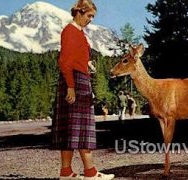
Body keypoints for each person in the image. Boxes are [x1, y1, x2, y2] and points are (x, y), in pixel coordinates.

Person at [51, 0, 114, 179]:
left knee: (70, 130)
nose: (91, 19)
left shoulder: (78, 33)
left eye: (93, 16)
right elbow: (64, 62)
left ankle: (66, 172)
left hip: (77, 78)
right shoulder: (71, 32)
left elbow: (74, 57)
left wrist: (87, 64)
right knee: (83, 129)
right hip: (75, 81)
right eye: (89, 16)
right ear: (79, 13)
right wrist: (71, 86)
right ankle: (90, 173)